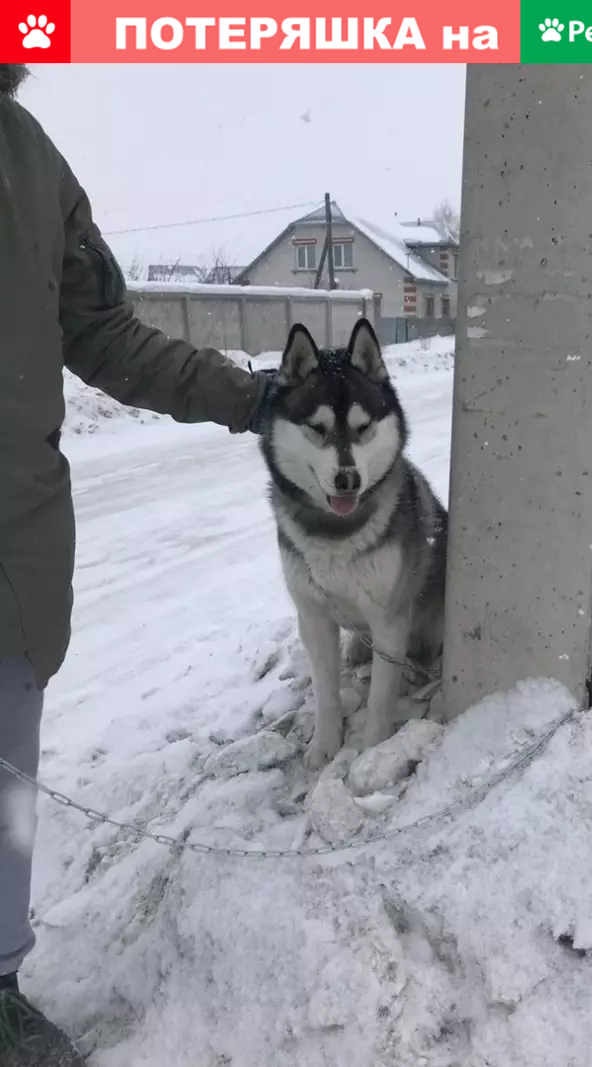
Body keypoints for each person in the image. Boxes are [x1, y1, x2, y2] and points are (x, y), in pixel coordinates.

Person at [0, 65, 276, 1066]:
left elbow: (103, 331)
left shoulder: (30, 162)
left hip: (11, 543)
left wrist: (249, 397)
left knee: (4, 783)